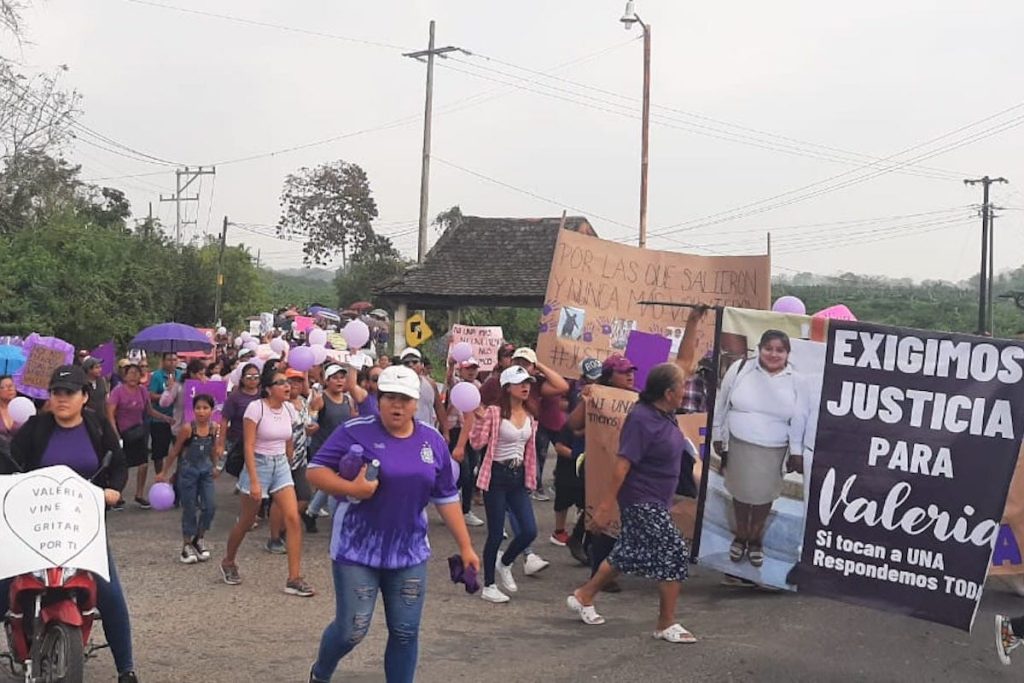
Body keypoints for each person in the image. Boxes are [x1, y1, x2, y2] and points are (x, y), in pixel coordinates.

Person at [306, 364, 479, 683]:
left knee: (404, 632)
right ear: (379, 398)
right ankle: (320, 674)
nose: (397, 405)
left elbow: (446, 497)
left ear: (416, 402)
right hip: (357, 550)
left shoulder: (432, 441)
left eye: (404, 399)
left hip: (409, 552)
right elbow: (315, 471)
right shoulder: (354, 430)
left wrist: (466, 547)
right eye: (389, 398)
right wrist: (352, 489)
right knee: (351, 631)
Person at [2, 365, 141, 682]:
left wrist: (115, 490)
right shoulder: (35, 427)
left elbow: (117, 465)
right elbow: (10, 461)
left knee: (111, 592)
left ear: (84, 396)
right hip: (36, 525)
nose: (62, 398)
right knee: (4, 580)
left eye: (69, 392)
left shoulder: (98, 426)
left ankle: (127, 669)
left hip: (83, 528)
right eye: (56, 392)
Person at [566, 363, 696, 643]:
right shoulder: (642, 419)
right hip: (641, 498)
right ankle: (666, 623)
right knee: (674, 553)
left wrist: (694, 322)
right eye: (681, 388)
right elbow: (622, 466)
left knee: (628, 551)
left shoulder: (665, 413)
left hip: (658, 499)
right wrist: (604, 507)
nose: (685, 392)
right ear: (668, 393)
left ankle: (584, 595)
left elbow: (684, 362)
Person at [712, 329, 808, 568]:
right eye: (768, 348)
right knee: (741, 495)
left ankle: (755, 539)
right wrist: (716, 434)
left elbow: (799, 418)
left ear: (787, 353)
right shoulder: (740, 369)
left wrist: (796, 452)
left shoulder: (797, 380)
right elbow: (721, 403)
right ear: (760, 348)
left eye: (780, 350)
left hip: (773, 449)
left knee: (764, 498)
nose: (773, 354)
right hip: (739, 444)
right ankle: (741, 535)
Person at [220, 366, 314, 596]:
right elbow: (249, 446)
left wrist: (289, 458)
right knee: (246, 520)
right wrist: (254, 480)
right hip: (258, 464)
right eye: (281, 383)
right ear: (269, 389)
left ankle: (294, 578)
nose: (287, 386)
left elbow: (289, 437)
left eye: (287, 383)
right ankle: (228, 561)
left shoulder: (289, 409)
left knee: (293, 518)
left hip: (280, 464)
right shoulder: (256, 408)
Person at [468, 365, 541, 603]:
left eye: (528, 382)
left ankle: (505, 561)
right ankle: (489, 585)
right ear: (507, 387)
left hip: (518, 477)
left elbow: (529, 451)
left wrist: (532, 478)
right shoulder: (494, 412)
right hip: (496, 476)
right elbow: (477, 443)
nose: (526, 386)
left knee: (530, 530)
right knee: (496, 533)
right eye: (521, 383)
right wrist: (477, 419)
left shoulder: (531, 416)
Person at [156, 393, 219, 564]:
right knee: (189, 507)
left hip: (205, 470)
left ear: (212, 410)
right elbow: (175, 450)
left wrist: (215, 466)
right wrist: (164, 472)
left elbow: (212, 448)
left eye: (205, 408)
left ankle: (199, 538)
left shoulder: (214, 428)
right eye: (198, 408)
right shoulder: (187, 429)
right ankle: (186, 545)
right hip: (188, 471)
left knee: (210, 506)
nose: (201, 412)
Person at [107, 362, 174, 509]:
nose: (133, 376)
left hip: (138, 431)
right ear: (124, 375)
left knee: (143, 464)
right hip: (122, 432)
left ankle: (139, 494)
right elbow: (110, 413)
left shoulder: (142, 391)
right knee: (122, 466)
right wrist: (115, 434)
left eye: (136, 373)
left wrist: (165, 418)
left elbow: (149, 411)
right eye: (130, 373)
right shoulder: (118, 391)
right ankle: (117, 496)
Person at [304, 363, 358, 525]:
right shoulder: (320, 400)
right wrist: (312, 425)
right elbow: (309, 422)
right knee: (334, 483)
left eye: (342, 377)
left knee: (333, 482)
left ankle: (311, 513)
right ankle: (337, 522)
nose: (339, 381)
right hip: (323, 448)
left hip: (343, 449)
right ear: (327, 381)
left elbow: (352, 418)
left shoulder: (348, 400)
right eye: (335, 378)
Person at [448, 358, 484, 527]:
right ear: (461, 370)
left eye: (474, 368)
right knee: (464, 472)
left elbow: (479, 409)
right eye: (468, 368)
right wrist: (450, 365)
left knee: (470, 473)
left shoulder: (477, 386)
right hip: (455, 431)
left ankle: (463, 508)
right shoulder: (456, 384)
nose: (471, 371)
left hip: (472, 432)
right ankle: (455, 506)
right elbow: (449, 379)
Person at [214, 362, 262, 479]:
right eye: (249, 377)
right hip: (238, 439)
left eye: (256, 377)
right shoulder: (235, 397)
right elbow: (224, 421)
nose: (253, 380)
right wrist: (221, 444)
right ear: (242, 379)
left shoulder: (263, 395)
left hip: (259, 440)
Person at [149, 352, 181, 491]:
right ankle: (159, 478)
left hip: (178, 420)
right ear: (163, 361)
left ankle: (177, 478)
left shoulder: (182, 375)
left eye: (175, 359)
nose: (172, 362)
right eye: (169, 359)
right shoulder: (156, 376)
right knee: (159, 453)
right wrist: (167, 392)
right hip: (160, 420)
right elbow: (151, 395)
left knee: (180, 451)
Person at [398, 348, 447, 439]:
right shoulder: (395, 385)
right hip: (402, 435)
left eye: (414, 362)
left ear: (422, 365)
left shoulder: (430, 384)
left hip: (426, 435)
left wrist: (446, 432)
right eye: (406, 363)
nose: (411, 365)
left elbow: (439, 408)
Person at [83, 356, 110, 421]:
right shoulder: (82, 383)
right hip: (88, 420)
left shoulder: (102, 381)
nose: (100, 369)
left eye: (100, 367)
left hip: (102, 418)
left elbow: (106, 397)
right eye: (97, 368)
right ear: (89, 369)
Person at [0, 374, 18, 455]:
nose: (10, 389)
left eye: (12, 386)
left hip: (17, 458)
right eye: (6, 386)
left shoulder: (22, 409)